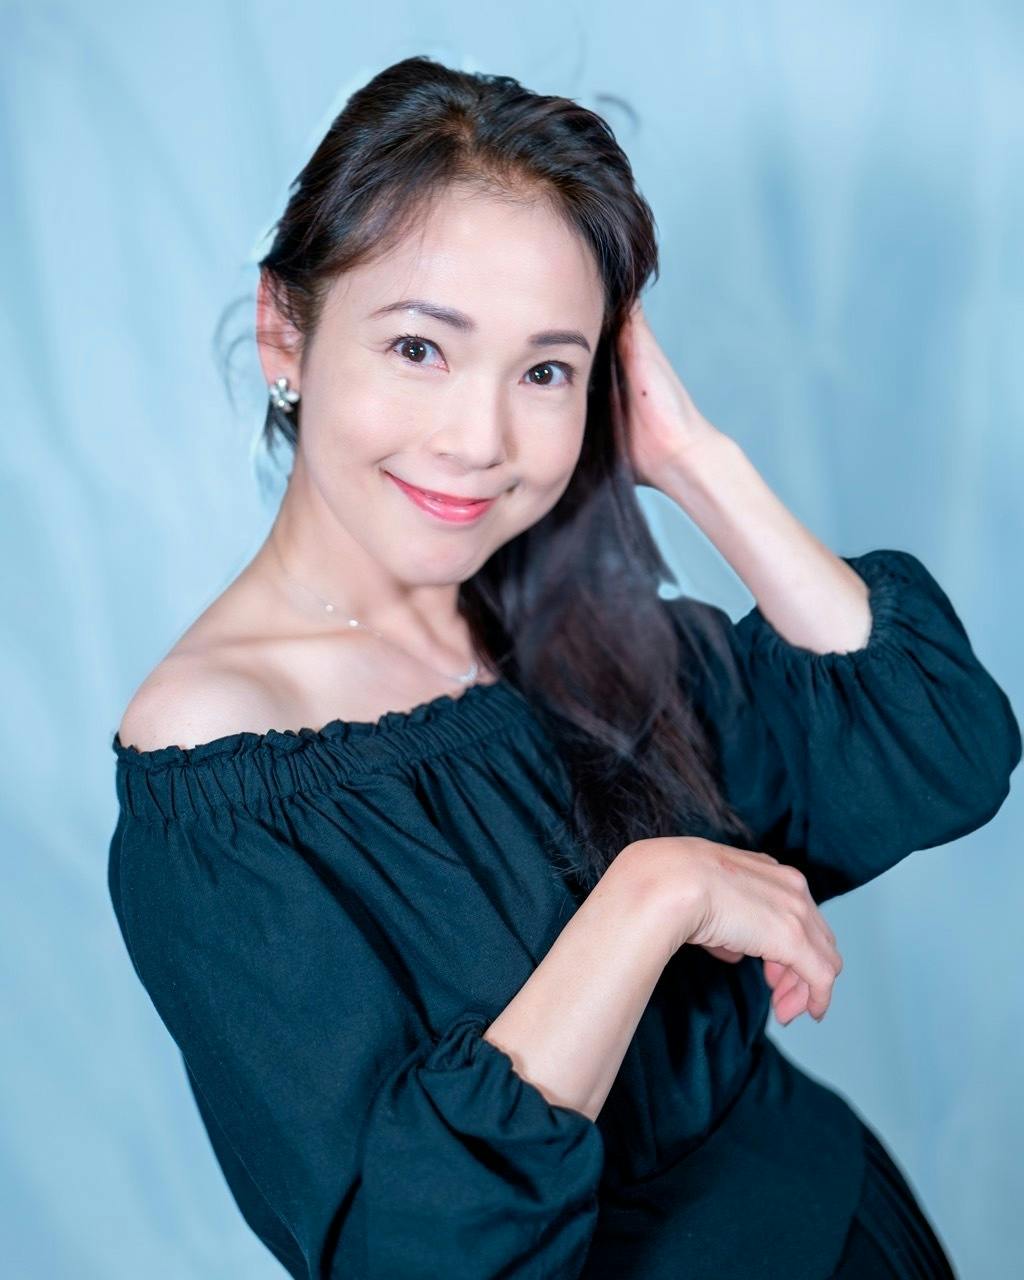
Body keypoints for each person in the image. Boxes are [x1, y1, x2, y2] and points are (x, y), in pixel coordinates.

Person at [107, 56, 1021, 1279]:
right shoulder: (220, 770)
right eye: (420, 347)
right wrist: (653, 895)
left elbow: (941, 743)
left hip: (848, 1224)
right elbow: (416, 1251)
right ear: (288, 329)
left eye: (545, 370)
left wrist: (693, 459)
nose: (479, 440)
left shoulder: (572, 629)